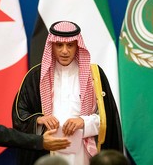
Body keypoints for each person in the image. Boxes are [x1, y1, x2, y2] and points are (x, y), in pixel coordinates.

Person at [12, 21, 123, 165]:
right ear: (51, 46)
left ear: (78, 46)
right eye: (59, 45)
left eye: (70, 45)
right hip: (46, 152)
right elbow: (19, 115)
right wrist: (39, 120)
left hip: (83, 153)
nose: (65, 51)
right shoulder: (35, 76)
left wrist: (84, 122)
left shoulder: (94, 75)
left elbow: (108, 117)